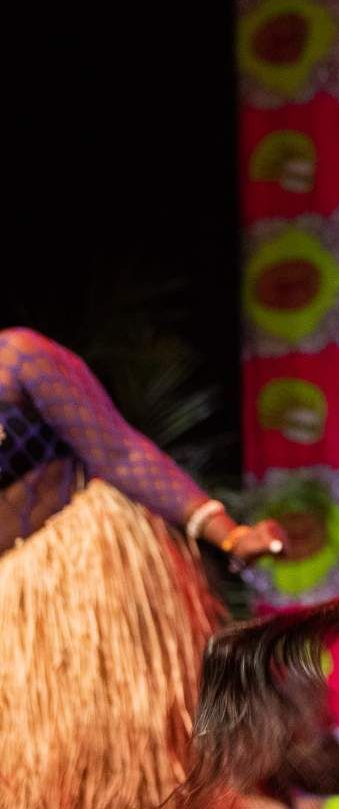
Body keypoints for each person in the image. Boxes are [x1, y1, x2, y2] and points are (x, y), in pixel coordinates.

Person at [0, 327, 286, 808]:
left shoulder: (20, 358)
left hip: (77, 583)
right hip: (10, 617)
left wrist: (228, 534)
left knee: (124, 763)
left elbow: (121, 452)